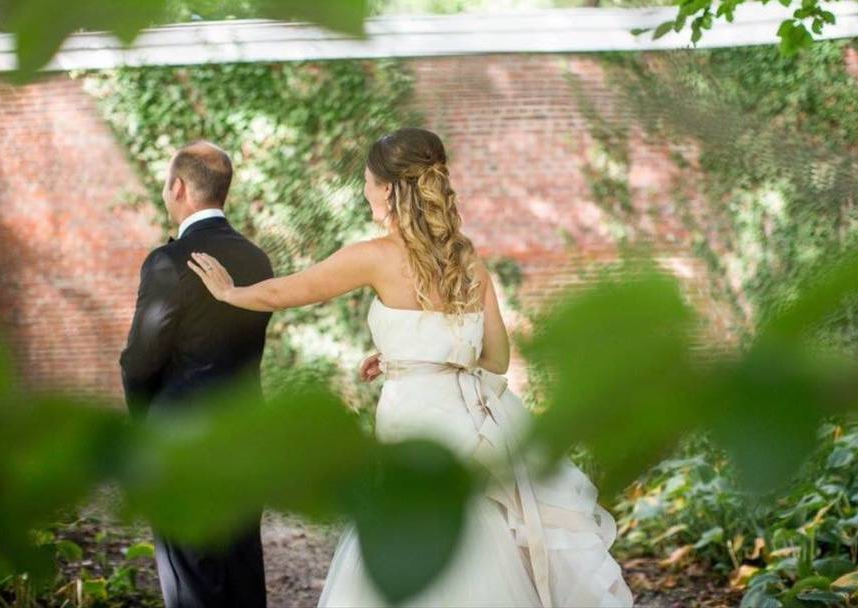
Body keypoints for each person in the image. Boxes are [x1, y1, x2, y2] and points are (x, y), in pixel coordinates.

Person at [188, 128, 634, 607]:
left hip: (414, 419)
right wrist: (409, 354)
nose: (363, 191)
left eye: (365, 181)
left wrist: (229, 293)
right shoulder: (465, 255)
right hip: (472, 421)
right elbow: (496, 359)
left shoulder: (375, 256)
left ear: (387, 188)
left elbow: (286, 292)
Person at [120, 140, 272, 608]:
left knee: (192, 585)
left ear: (179, 187)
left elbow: (140, 362)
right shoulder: (256, 258)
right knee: (241, 572)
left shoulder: (168, 261)